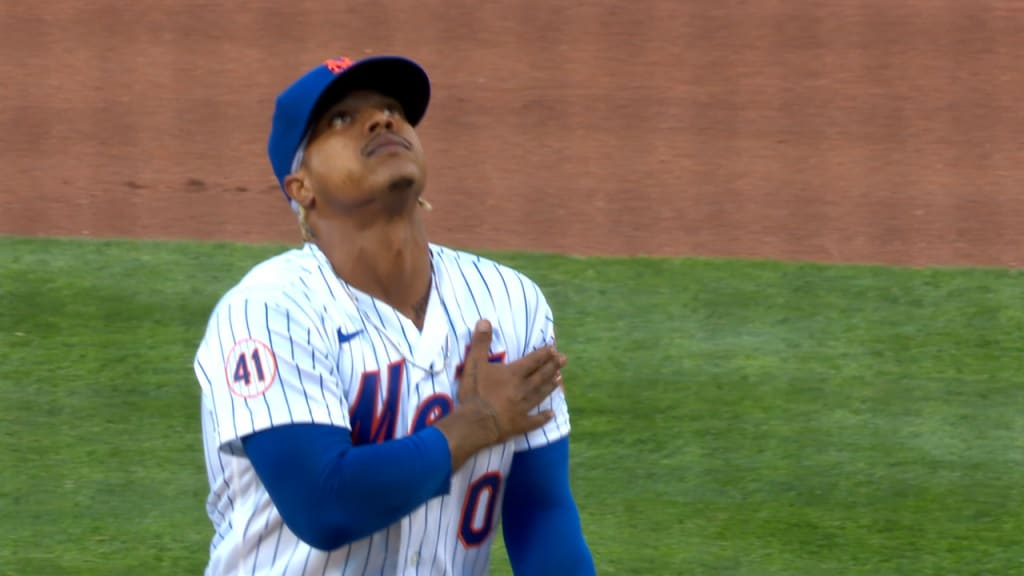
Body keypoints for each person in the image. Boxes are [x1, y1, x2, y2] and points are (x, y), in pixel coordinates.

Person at [192, 54, 596, 575]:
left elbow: (540, 513)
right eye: (341, 119)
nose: (383, 120)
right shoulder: (267, 312)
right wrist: (476, 425)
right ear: (301, 188)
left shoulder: (509, 302)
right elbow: (325, 504)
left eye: (393, 109)